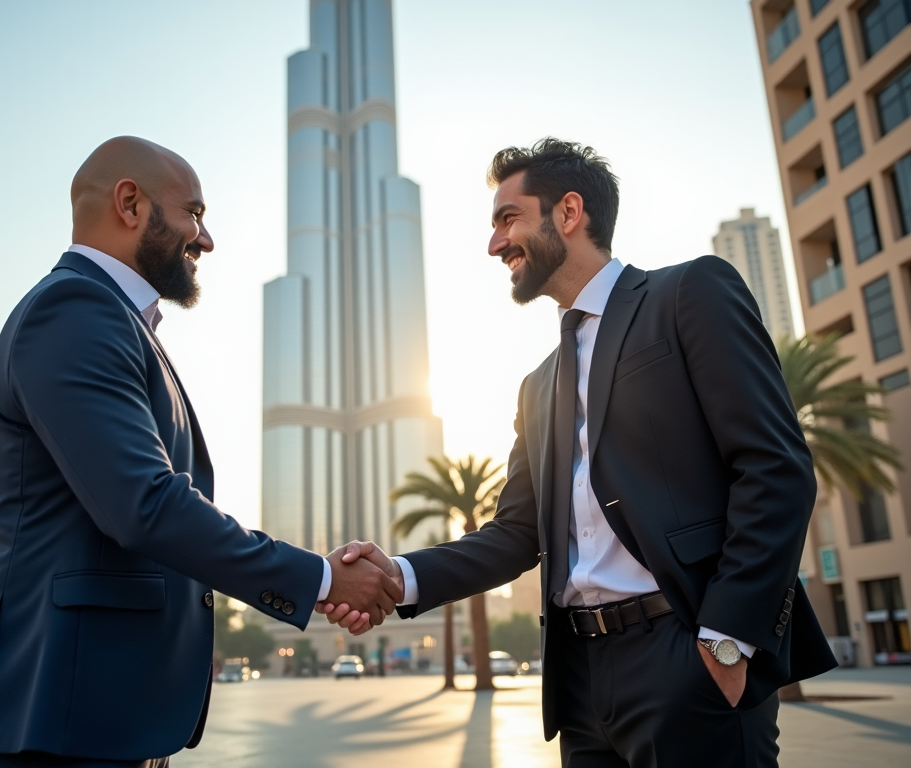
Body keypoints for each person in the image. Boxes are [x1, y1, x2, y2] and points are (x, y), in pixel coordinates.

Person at [321, 139, 837, 767]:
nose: (494, 245)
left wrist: (726, 642)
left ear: (569, 212)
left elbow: (776, 469)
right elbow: (514, 534)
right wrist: (398, 576)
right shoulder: (539, 385)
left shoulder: (688, 294)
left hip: (688, 661)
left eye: (508, 218)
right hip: (581, 685)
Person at [0, 137, 401, 767]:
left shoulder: (113, 321)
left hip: (102, 719)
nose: (205, 239)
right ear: (130, 203)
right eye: (194, 213)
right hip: (56, 717)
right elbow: (145, 504)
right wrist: (317, 577)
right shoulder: (75, 311)